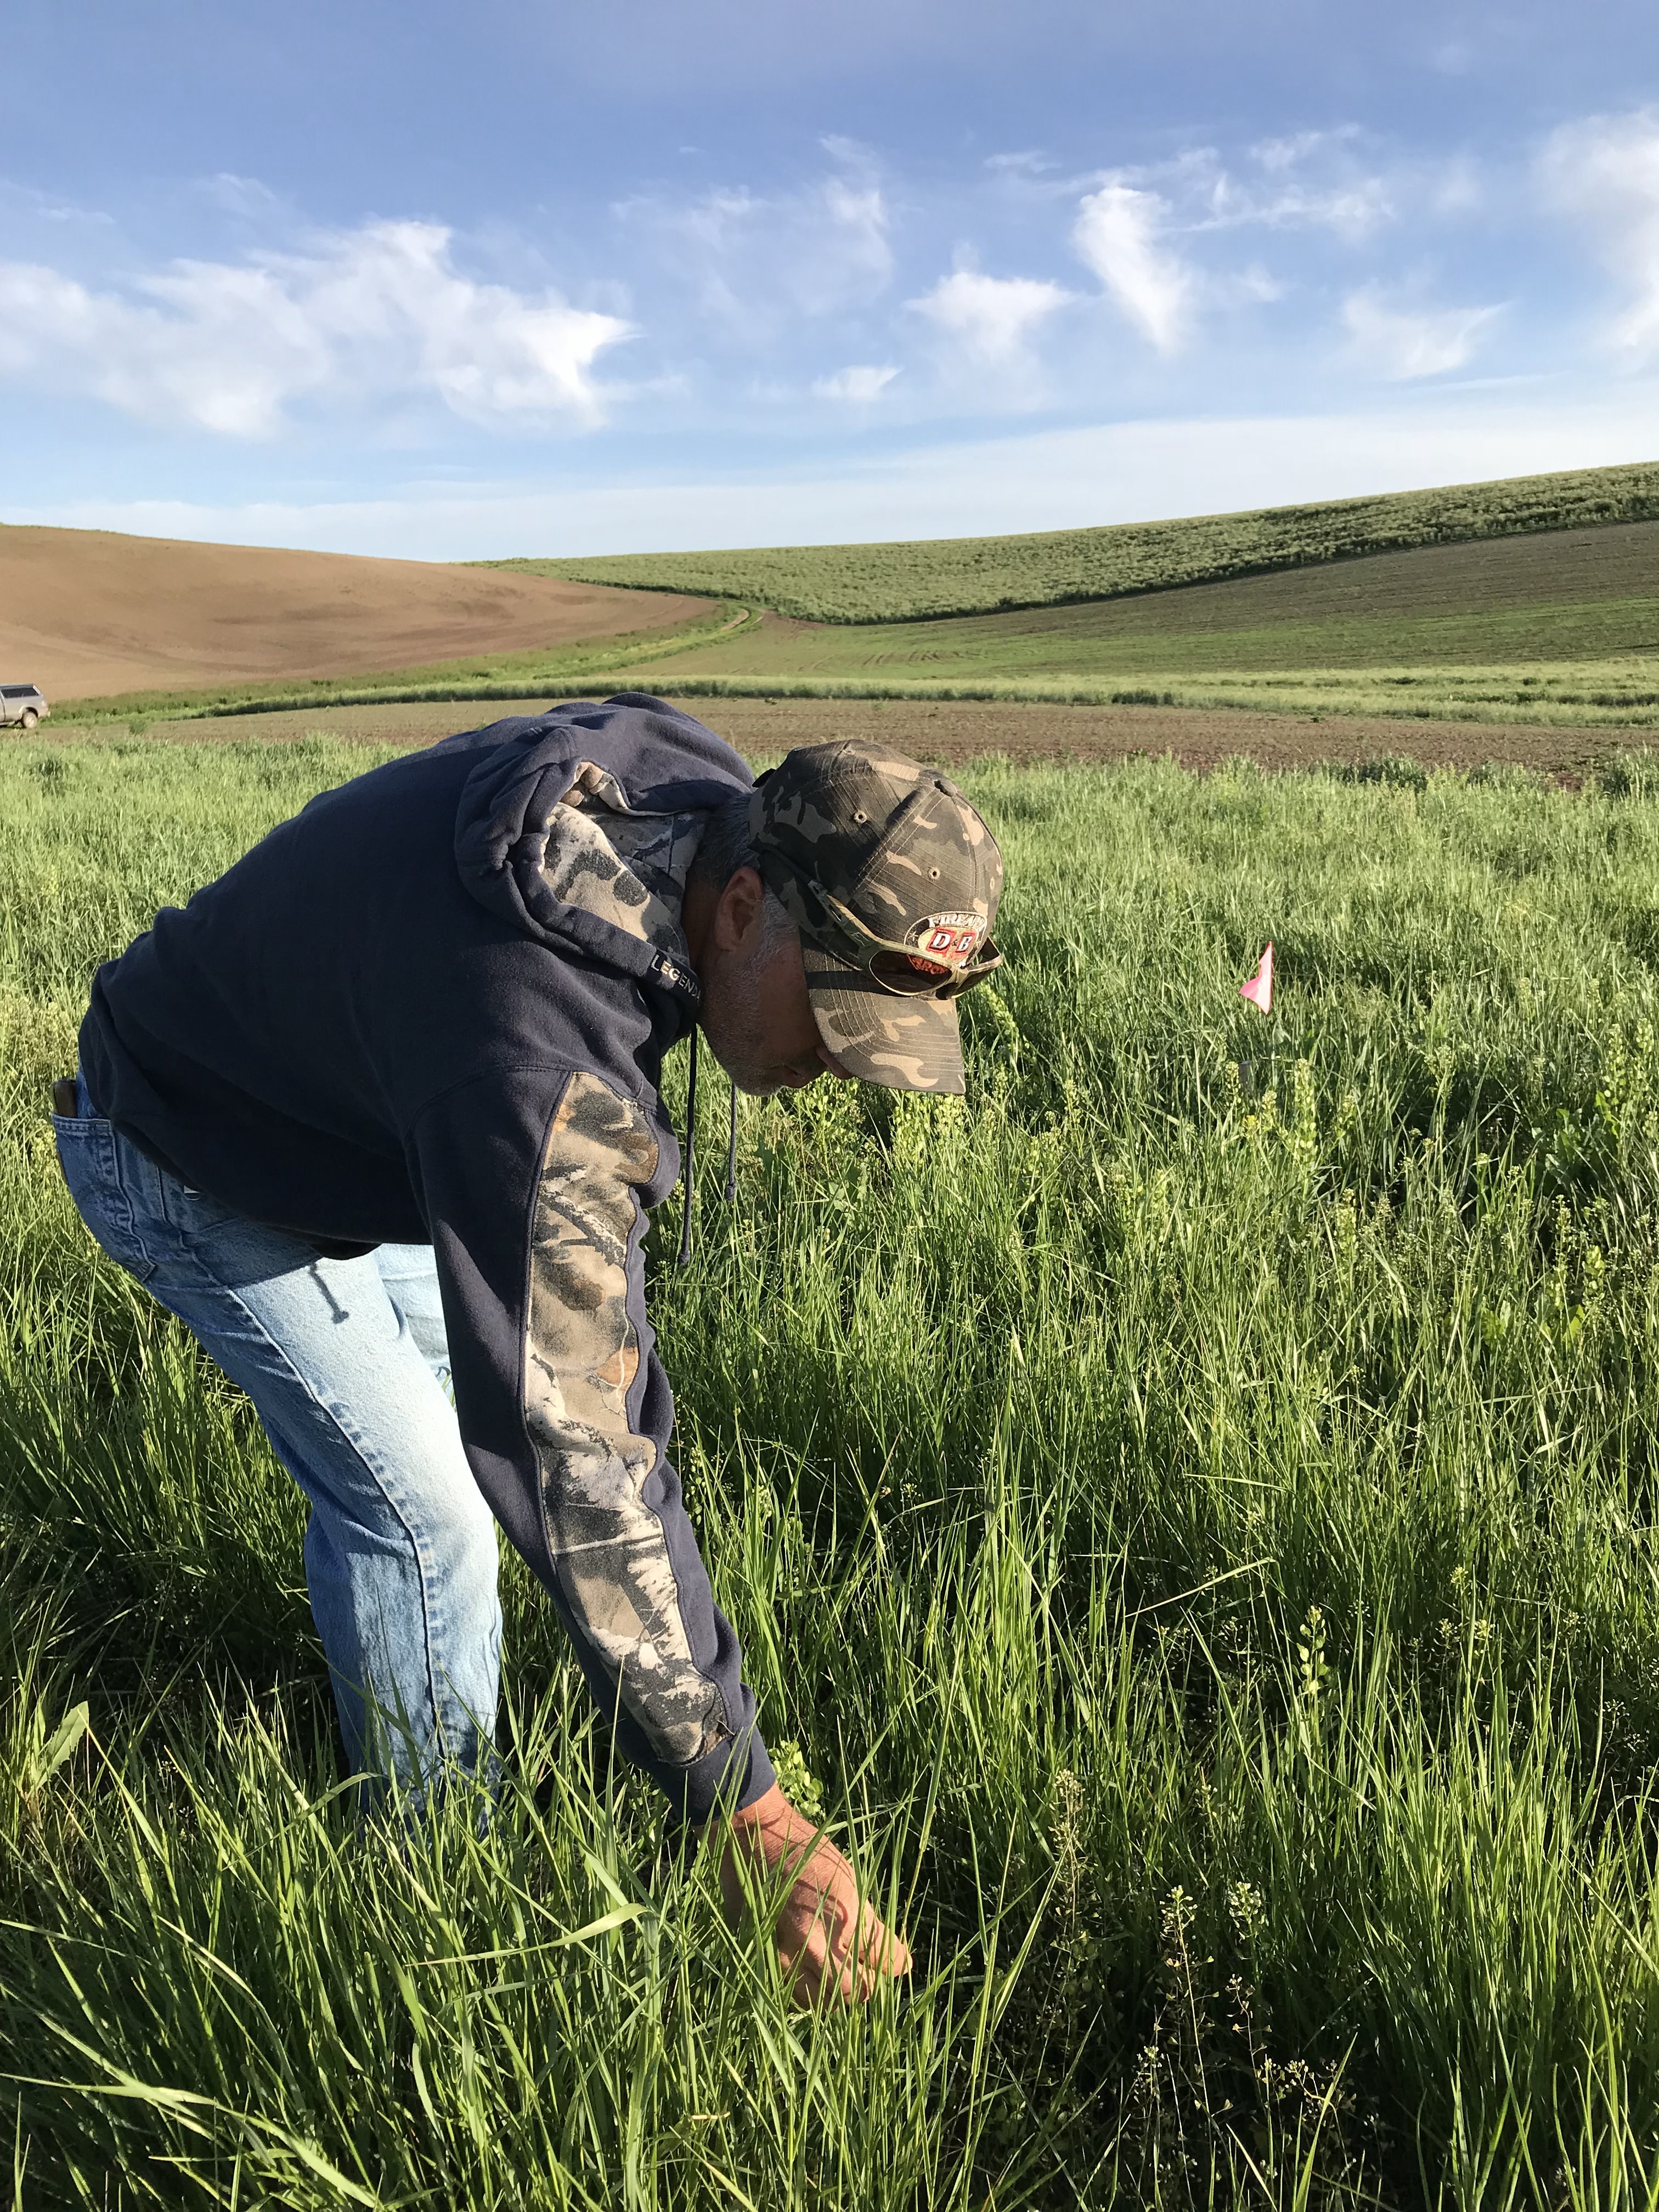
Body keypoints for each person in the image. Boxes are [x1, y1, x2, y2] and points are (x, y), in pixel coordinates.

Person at [51, 693, 1005, 2006]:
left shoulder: (703, 802)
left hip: (365, 1111)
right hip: (181, 1145)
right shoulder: (530, 1053)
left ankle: (413, 1768)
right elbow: (578, 1458)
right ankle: (434, 1902)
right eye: (836, 1018)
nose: (840, 1070)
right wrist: (746, 1810)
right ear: (740, 910)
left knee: (454, 1441)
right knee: (430, 1513)